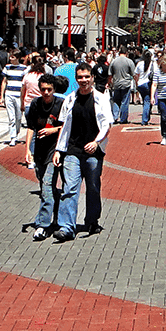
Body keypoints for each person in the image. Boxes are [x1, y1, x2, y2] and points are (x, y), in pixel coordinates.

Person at [52, 63, 112, 242]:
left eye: (87, 77)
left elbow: (107, 125)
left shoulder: (101, 98)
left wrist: (97, 142)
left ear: (92, 77)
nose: (83, 80)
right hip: (73, 150)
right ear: (76, 79)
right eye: (80, 77)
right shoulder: (70, 99)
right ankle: (67, 227)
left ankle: (92, 221)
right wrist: (58, 150)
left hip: (93, 150)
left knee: (93, 188)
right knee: (69, 188)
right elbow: (63, 127)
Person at [25, 74, 64, 240]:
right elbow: (31, 128)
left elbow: (66, 126)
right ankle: (55, 217)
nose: (46, 92)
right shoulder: (35, 104)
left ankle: (43, 225)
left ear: (54, 89)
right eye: (43, 89)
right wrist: (28, 150)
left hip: (54, 151)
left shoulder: (60, 104)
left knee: (48, 185)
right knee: (45, 187)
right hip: (39, 151)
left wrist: (52, 130)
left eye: (49, 89)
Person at [1, 50, 29, 146]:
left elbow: (25, 84)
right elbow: (4, 81)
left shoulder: (24, 69)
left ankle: (16, 133)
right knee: (11, 118)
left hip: (19, 95)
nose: (10, 59)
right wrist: (2, 96)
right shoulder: (7, 68)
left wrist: (24, 97)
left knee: (18, 117)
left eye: (12, 57)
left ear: (17, 58)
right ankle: (13, 137)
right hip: (9, 94)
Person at [108, 46, 136, 124]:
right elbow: (133, 74)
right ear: (126, 53)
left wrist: (110, 83)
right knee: (124, 102)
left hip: (116, 83)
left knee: (116, 101)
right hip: (126, 83)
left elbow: (110, 74)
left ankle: (115, 117)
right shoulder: (129, 61)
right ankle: (123, 119)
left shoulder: (113, 61)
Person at [135, 50, 154, 125]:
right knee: (147, 102)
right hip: (148, 84)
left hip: (140, 84)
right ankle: (145, 120)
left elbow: (136, 74)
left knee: (145, 101)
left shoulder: (139, 63)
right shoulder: (152, 64)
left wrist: (136, 83)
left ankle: (146, 116)